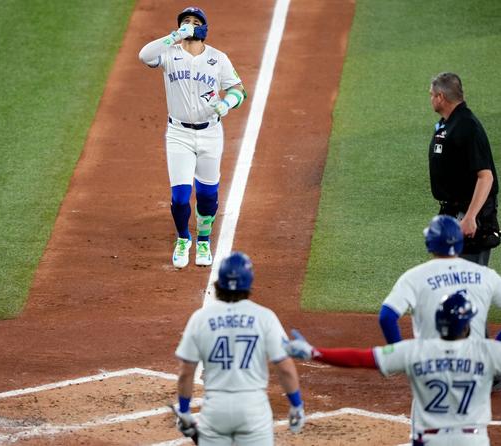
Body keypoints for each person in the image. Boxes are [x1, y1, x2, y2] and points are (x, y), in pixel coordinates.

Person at [286, 292, 501, 446]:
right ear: (467, 326)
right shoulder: (489, 352)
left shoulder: (415, 351)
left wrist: (314, 352)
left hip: (429, 440)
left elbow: (360, 358)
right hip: (473, 440)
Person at [138, 6, 247, 268]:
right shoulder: (169, 54)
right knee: (179, 197)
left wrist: (227, 104)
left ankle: (204, 241)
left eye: (195, 21)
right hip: (179, 134)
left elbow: (238, 89)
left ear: (204, 28)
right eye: (185, 21)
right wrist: (174, 36)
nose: (190, 24)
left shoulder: (218, 59)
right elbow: (144, 56)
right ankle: (184, 238)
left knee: (208, 195)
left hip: (210, 133)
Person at [173, 252, 305, 445]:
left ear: (220, 283)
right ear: (249, 281)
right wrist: (296, 405)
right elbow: (285, 367)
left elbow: (186, 372)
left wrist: (184, 411)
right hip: (253, 410)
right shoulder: (265, 317)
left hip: (215, 411)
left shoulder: (200, 319)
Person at [378, 215, 501, 344]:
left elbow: (387, 317)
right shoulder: (486, 275)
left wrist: (399, 354)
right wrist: (495, 348)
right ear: (460, 242)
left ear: (429, 243)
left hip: (429, 362)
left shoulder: (413, 277)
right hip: (476, 361)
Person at [428, 72, 500, 266]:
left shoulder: (467, 126)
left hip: (469, 218)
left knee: (468, 279)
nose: (430, 99)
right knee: (450, 275)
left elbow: (486, 177)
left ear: (441, 97)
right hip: (453, 213)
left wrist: (470, 217)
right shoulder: (449, 123)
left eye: (431, 95)